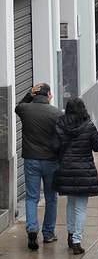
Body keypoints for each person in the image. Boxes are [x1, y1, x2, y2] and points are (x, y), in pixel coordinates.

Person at [52, 97, 98, 255]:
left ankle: (70, 234)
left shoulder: (60, 124)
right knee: (80, 208)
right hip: (83, 172)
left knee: (70, 204)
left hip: (66, 170)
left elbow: (55, 146)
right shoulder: (88, 125)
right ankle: (77, 240)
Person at [14, 82, 61, 250]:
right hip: (50, 161)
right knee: (51, 198)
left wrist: (29, 93)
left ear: (35, 95)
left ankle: (32, 229)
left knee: (32, 197)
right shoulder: (56, 113)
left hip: (31, 160)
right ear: (48, 95)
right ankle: (48, 233)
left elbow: (17, 107)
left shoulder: (26, 110)